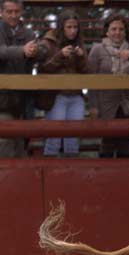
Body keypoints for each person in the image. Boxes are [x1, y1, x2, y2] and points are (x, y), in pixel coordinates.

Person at [88, 14, 129, 158]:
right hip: (105, 102)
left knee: (124, 142)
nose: (117, 32)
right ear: (107, 32)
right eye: (113, 29)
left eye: (121, 29)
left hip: (126, 101)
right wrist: (93, 105)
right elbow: (90, 79)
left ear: (125, 32)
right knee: (107, 141)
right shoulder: (97, 49)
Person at [37, 9, 88, 157]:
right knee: (54, 138)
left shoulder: (79, 43)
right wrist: (59, 56)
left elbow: (88, 71)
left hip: (76, 95)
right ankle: (49, 174)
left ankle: (72, 174)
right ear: (61, 27)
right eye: (69, 27)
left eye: (75, 27)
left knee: (73, 139)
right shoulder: (48, 42)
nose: (73, 31)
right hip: (56, 96)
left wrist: (81, 58)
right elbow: (43, 68)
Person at [0, 0, 47, 157]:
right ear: (1, 12)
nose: (13, 15)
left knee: (21, 143)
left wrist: (36, 51)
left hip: (23, 99)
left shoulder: (29, 33)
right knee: (5, 142)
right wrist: (22, 50)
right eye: (9, 12)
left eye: (16, 11)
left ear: (21, 12)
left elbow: (41, 53)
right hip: (2, 100)